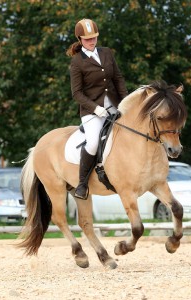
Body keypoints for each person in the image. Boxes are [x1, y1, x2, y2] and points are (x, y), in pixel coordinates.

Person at [67, 18, 128, 200]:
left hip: (114, 105)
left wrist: (126, 102)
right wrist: (95, 108)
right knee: (93, 142)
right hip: (91, 111)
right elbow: (76, 94)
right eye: (87, 39)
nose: (92, 41)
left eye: (94, 37)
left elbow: (118, 78)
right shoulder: (77, 62)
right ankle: (82, 183)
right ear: (80, 39)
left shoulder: (107, 53)